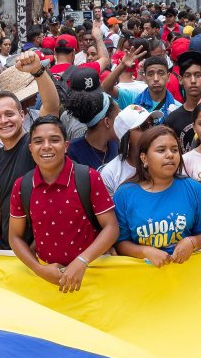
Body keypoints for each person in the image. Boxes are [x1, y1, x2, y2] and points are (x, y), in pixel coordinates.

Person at [8, 115, 118, 292]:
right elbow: (14, 237)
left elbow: (111, 227)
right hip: (48, 281)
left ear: (66, 146)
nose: (46, 146)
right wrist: (39, 269)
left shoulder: (88, 177)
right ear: (30, 148)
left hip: (92, 277)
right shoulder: (22, 186)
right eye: (38, 141)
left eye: (54, 140)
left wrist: (82, 261)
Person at [0, 52, 58, 258]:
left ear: (22, 115)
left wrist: (38, 72)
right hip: (10, 253)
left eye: (10, 114)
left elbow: (51, 107)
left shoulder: (35, 144)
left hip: (45, 252)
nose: (4, 120)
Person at [112, 125, 201, 266]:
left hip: (188, 276)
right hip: (143, 279)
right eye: (161, 150)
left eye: (174, 150)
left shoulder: (194, 189)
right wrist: (145, 252)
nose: (170, 154)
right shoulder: (124, 195)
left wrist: (192, 242)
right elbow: (120, 243)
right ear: (144, 158)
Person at [100, 104, 156, 194]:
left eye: (152, 124)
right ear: (127, 137)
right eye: (144, 126)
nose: (151, 131)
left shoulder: (163, 161)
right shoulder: (110, 173)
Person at [162, 50, 201, 149]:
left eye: (198, 75)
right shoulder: (172, 120)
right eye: (187, 76)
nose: (193, 81)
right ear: (180, 79)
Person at [64, 90, 118, 170]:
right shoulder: (72, 151)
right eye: (118, 118)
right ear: (107, 122)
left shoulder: (116, 143)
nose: (122, 123)